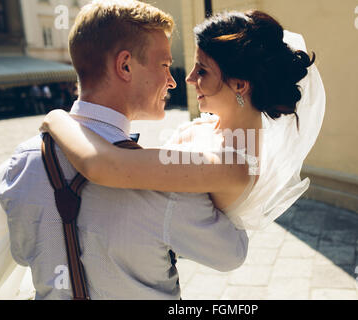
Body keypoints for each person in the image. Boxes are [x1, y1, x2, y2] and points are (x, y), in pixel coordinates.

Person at [0, 0, 248, 300]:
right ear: (125, 65)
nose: (173, 80)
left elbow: (24, 253)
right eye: (164, 65)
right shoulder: (163, 182)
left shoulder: (20, 164)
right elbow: (231, 253)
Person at [41, 10, 326, 231]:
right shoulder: (213, 131)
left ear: (240, 85)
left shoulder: (230, 167)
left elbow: (102, 165)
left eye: (202, 71)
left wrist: (57, 118)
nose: (188, 79)